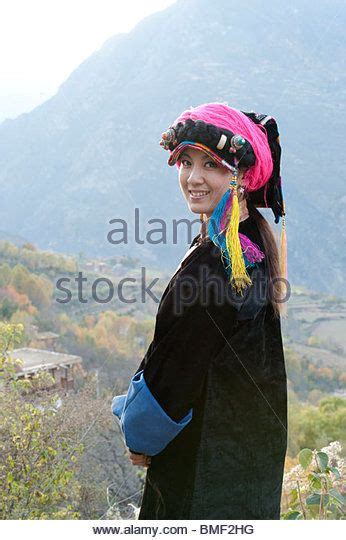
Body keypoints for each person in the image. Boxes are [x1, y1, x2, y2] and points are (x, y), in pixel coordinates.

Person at [111, 102, 288, 519]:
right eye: (185, 162)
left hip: (200, 479)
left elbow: (169, 376)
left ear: (241, 175)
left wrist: (138, 435)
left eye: (211, 164)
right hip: (249, 470)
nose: (193, 178)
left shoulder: (214, 265)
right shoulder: (253, 247)